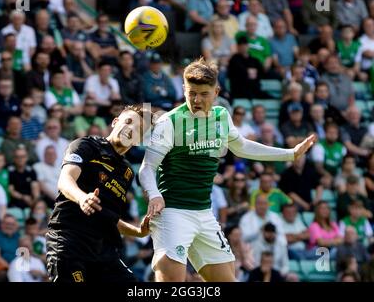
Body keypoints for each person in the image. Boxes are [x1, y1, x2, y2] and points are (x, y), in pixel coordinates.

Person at [139, 58, 316, 282]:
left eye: (204, 94)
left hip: (204, 213)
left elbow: (241, 146)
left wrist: (290, 154)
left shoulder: (221, 116)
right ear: (184, 88)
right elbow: (146, 168)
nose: (196, 99)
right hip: (173, 213)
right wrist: (154, 195)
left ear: (216, 91)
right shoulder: (169, 122)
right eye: (191, 92)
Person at [46, 105, 152, 282]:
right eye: (128, 121)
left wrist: (138, 232)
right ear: (114, 122)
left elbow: (108, 217)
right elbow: (65, 180)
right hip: (70, 242)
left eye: (138, 129)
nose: (130, 129)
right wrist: (82, 198)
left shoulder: (127, 172)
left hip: (104, 250)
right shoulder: (85, 146)